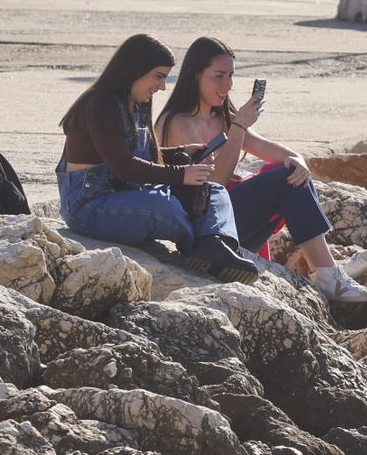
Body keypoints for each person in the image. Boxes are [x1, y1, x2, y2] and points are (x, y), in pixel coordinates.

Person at [156, 37, 367, 303]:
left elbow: (277, 152)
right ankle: (328, 273)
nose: (228, 85)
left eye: (232, 76)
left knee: (284, 169)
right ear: (195, 75)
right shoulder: (178, 123)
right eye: (219, 76)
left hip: (228, 221)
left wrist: (299, 161)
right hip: (204, 231)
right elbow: (212, 186)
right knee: (282, 177)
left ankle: (326, 269)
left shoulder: (221, 117)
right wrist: (237, 128)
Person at [57, 33, 257, 282]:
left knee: (215, 191)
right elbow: (123, 166)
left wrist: (180, 154)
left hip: (128, 192)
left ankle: (216, 243)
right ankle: (203, 247)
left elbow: (144, 155)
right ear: (135, 70)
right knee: (163, 207)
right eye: (159, 77)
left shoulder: (138, 101)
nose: (163, 87)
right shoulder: (100, 104)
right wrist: (181, 175)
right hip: (89, 205)